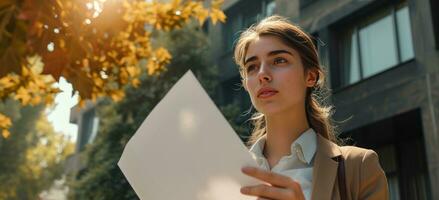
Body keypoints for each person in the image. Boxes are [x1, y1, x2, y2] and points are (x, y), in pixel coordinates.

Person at [233, 15, 389, 200]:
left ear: (311, 76)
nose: (262, 75)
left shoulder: (359, 166)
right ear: (246, 84)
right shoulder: (227, 173)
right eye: (252, 66)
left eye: (279, 60)